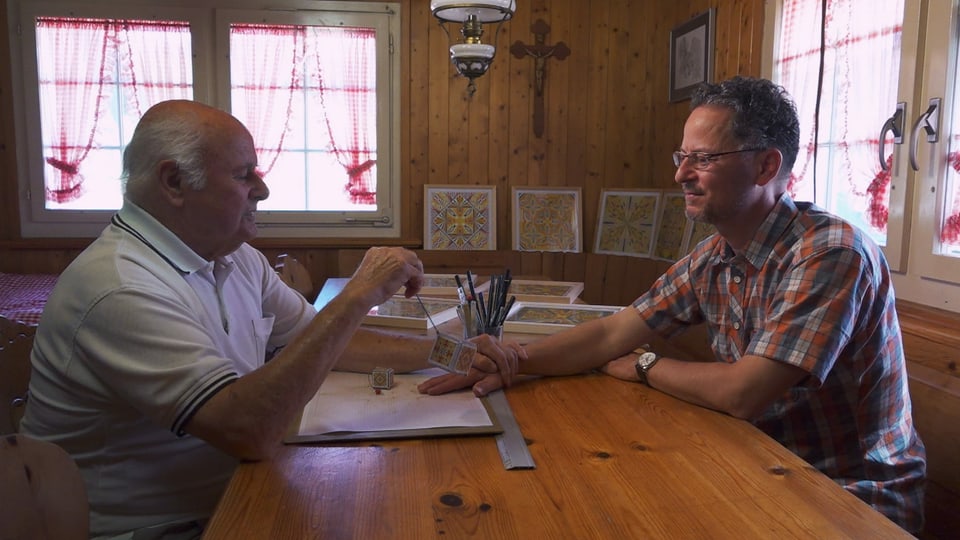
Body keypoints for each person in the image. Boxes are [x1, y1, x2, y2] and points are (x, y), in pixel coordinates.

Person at [420, 76, 926, 534]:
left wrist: (644, 365)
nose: (682, 174)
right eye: (681, 157)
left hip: (850, 496)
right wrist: (512, 361)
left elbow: (743, 393)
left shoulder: (830, 252)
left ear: (767, 165)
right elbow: (609, 333)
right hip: (757, 461)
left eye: (703, 159)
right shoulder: (715, 254)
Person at [19, 100, 520, 540]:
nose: (262, 187)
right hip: (163, 527)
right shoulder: (120, 287)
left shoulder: (233, 257)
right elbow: (250, 432)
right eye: (243, 175)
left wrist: (455, 352)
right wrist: (359, 292)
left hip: (236, 494)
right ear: (174, 182)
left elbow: (331, 342)